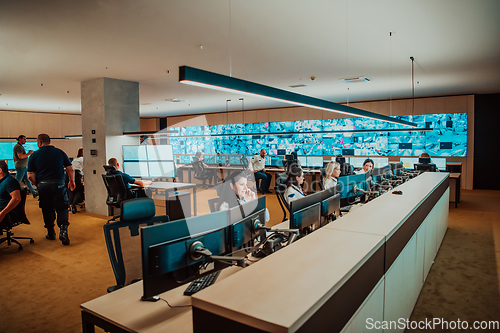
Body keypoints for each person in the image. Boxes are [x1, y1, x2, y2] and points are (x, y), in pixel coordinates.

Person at [27, 134, 74, 245]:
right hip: (59, 185)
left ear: (39, 142)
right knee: (62, 208)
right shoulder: (60, 152)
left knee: (47, 209)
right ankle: (63, 231)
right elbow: (70, 168)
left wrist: (38, 184)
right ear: (49, 141)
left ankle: (51, 233)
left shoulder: (34, 155)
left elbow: (29, 175)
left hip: (43, 186)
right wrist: (72, 181)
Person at [0, 160, 22, 226]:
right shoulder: (2, 180)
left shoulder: (10, 181)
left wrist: (3, 213)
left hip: (7, 212)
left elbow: (17, 199)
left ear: (0, 170)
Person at [68, 148, 84, 213]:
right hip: (76, 174)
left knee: (71, 190)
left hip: (69, 174)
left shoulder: (76, 159)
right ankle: (74, 204)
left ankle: (70, 204)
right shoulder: (83, 159)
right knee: (79, 189)